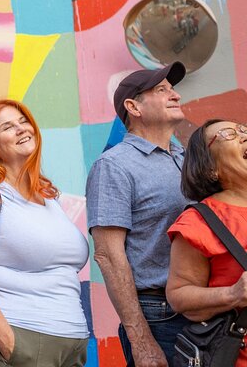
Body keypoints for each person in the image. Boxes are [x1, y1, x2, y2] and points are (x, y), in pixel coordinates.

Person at [0, 99, 89, 367]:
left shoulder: (49, 197)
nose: (22, 129)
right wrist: (10, 343)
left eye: (24, 121)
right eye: (8, 127)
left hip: (69, 344)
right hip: (15, 343)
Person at [87, 61, 190, 367]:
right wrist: (141, 340)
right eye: (162, 90)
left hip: (203, 308)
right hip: (159, 315)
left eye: (173, 89)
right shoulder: (114, 166)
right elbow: (108, 255)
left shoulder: (188, 158)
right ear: (133, 106)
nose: (175, 96)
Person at [166, 119, 247, 367]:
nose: (243, 134)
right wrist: (233, 294)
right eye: (228, 134)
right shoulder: (199, 222)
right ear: (211, 169)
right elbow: (179, 296)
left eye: (243, 128)